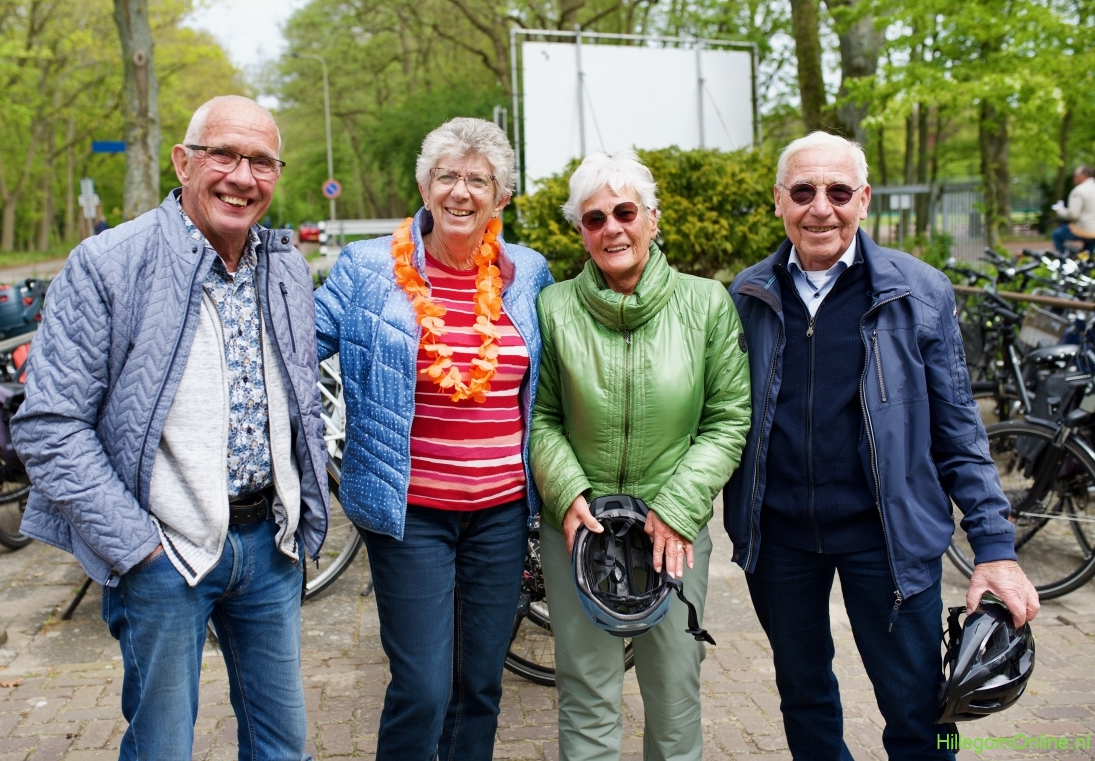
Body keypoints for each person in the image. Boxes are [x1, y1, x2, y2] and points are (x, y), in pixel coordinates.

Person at [11, 95, 328, 760]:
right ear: (183, 163)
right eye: (224, 155)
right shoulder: (108, 264)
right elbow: (49, 426)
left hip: (269, 548)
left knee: (284, 749)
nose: (242, 177)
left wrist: (300, 514)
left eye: (262, 162)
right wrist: (137, 549)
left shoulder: (285, 268)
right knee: (162, 749)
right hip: (163, 556)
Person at [725, 130, 1040, 760]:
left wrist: (995, 549)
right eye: (803, 191)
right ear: (779, 200)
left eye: (839, 192)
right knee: (803, 698)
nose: (821, 208)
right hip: (779, 539)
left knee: (923, 709)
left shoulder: (919, 292)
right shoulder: (747, 295)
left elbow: (960, 430)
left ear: (864, 199)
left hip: (888, 540)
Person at [314, 117, 553, 759]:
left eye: (479, 180)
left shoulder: (528, 272)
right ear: (424, 187)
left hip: (502, 514)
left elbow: (559, 371)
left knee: (478, 685)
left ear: (501, 198)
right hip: (410, 511)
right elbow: (296, 344)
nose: (461, 192)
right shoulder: (369, 267)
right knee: (422, 687)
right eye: (447, 176)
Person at [530, 151, 752, 760]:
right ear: (581, 232)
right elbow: (542, 417)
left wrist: (677, 509)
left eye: (625, 212)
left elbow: (728, 418)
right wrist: (567, 493)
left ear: (652, 219)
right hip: (579, 527)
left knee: (675, 693)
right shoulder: (554, 308)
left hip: (671, 531)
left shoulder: (707, 303)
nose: (612, 228)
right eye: (594, 218)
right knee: (586, 694)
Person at [1051, 164, 1095, 254]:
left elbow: (1073, 215)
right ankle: (1086, 259)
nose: (1074, 178)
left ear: (1085, 175)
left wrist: (1060, 211)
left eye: (1076, 176)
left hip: (1083, 229)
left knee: (1056, 234)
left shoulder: (1078, 191)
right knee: (1087, 252)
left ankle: (1062, 258)